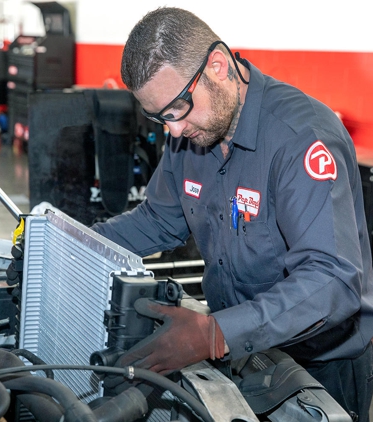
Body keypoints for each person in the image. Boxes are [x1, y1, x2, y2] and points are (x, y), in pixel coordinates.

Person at [91, 6, 373, 421]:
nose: (173, 131)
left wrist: (216, 334)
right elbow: (159, 219)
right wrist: (72, 243)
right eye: (159, 117)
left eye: (177, 109)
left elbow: (332, 280)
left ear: (218, 66)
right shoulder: (190, 131)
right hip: (240, 357)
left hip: (320, 370)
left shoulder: (300, 139)